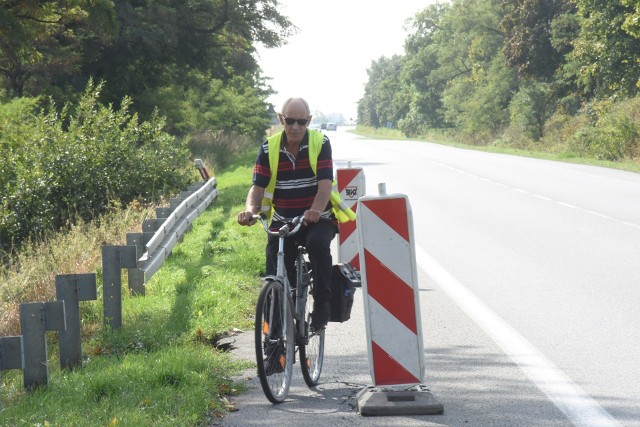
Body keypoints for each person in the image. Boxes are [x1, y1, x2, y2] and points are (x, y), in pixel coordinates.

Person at [237, 97, 354, 330]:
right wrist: (250, 211)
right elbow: (257, 187)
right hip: (283, 221)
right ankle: (274, 344)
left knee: (317, 244)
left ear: (309, 121)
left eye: (301, 121)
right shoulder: (268, 148)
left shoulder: (320, 143)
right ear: (282, 119)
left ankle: (322, 305)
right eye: (290, 121)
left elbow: (324, 185)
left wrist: (315, 210)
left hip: (317, 218)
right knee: (276, 273)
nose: (295, 127)